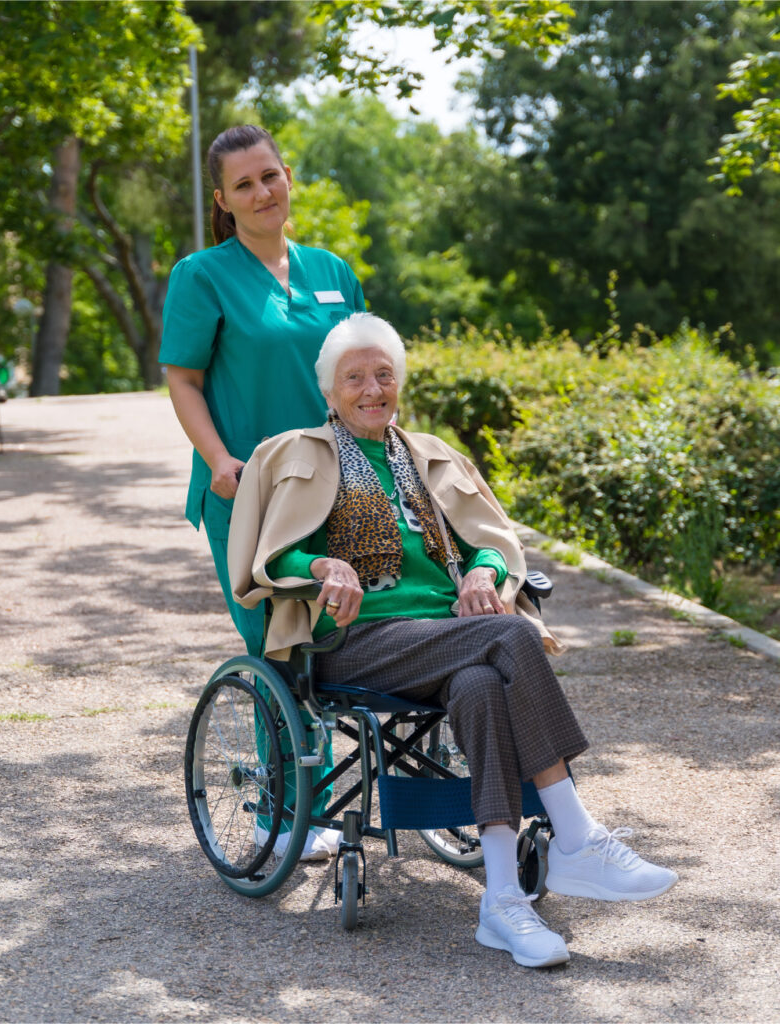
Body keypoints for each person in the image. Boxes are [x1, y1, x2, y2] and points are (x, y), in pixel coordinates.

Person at [228, 312, 679, 969]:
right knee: (506, 636)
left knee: (481, 683)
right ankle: (577, 836)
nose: (371, 388)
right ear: (328, 390)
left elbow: (492, 544)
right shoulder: (293, 454)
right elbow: (272, 559)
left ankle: (502, 903)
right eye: (354, 378)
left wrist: (479, 573)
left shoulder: (429, 455)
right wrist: (325, 566)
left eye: (384, 374)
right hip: (352, 640)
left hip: (448, 638)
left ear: (399, 382)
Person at [160, 124, 365, 860]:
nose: (261, 192)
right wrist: (217, 458)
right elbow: (183, 379)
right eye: (243, 184)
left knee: (350, 641)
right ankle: (281, 815)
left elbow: (364, 372)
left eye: (269, 175)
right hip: (248, 493)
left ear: (288, 176)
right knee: (278, 645)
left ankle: (363, 795)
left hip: (335, 486)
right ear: (223, 199)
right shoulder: (202, 276)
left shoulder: (333, 270)